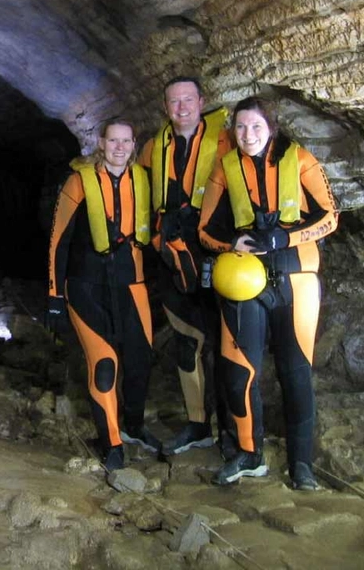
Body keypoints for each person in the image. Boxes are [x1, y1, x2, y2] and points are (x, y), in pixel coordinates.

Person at [198, 96, 338, 490]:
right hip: (247, 282)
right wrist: (232, 243)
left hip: (297, 279)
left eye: (256, 126)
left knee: (296, 374)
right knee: (240, 372)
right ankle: (249, 454)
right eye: (240, 127)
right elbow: (206, 230)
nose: (248, 135)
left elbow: (329, 217)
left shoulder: (301, 160)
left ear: (271, 128)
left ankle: (302, 465)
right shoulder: (225, 169)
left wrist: (283, 237)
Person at [46, 118, 164, 470]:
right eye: (113, 140)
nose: (119, 147)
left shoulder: (143, 180)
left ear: (133, 145)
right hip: (86, 286)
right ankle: (111, 443)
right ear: (101, 143)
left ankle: (135, 425)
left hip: (132, 285)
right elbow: (58, 240)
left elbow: (157, 229)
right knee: (104, 364)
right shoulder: (78, 182)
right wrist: (54, 297)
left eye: (126, 141)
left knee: (140, 361)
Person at [137, 77, 233, 457]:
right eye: (174, 102)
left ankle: (231, 428)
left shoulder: (225, 141)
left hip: (213, 251)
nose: (181, 108)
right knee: (184, 341)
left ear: (202, 101)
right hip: (172, 257)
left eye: (188, 100)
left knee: (224, 342)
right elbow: (136, 189)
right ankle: (198, 425)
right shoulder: (153, 148)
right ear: (165, 108)